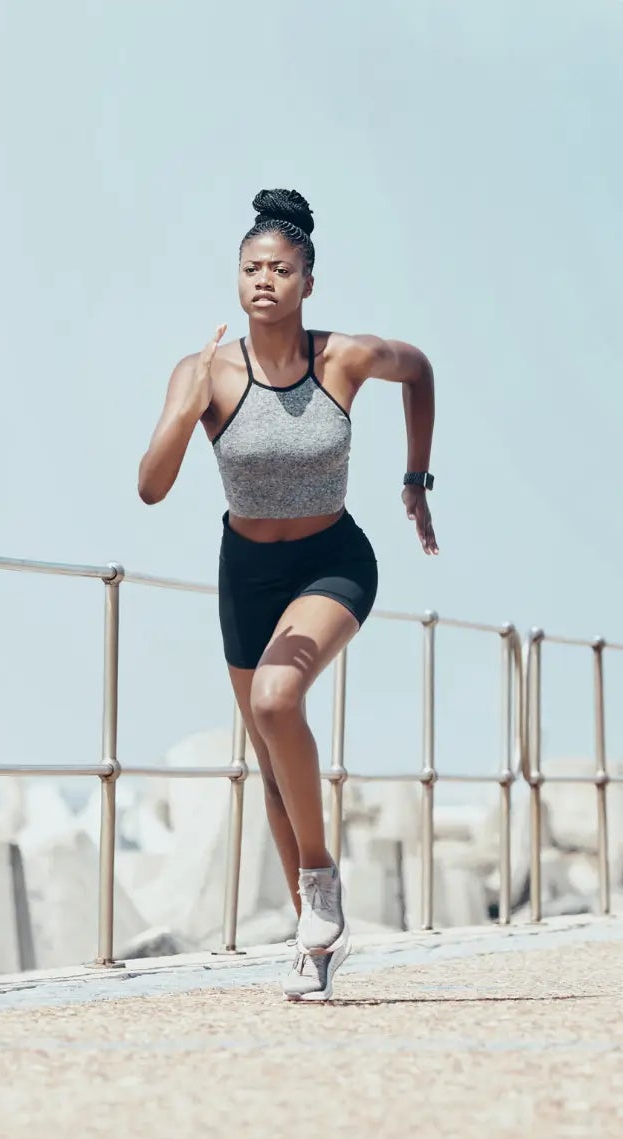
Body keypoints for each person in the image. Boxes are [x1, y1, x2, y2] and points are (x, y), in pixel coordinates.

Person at [137, 188, 438, 1002]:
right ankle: (316, 944)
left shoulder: (344, 358)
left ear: (308, 280)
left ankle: (319, 880)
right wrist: (187, 407)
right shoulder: (203, 372)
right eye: (250, 269)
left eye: (279, 269)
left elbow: (419, 371)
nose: (263, 280)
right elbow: (151, 488)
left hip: (333, 560)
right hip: (246, 572)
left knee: (277, 699)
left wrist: (416, 479)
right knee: (270, 767)